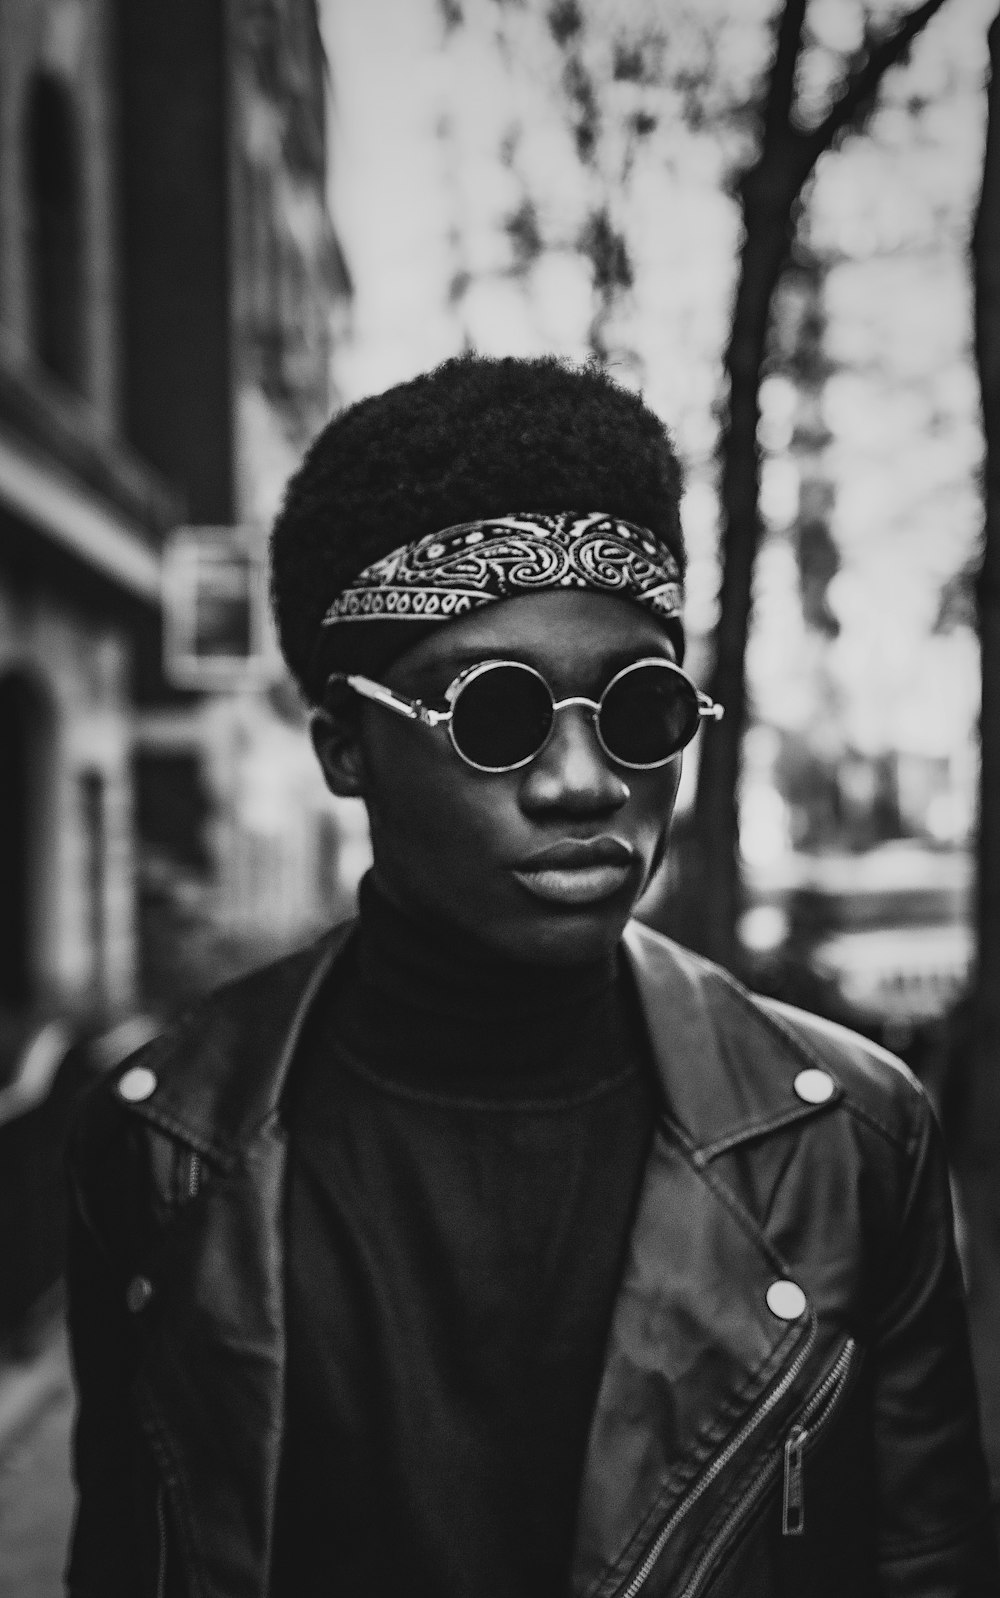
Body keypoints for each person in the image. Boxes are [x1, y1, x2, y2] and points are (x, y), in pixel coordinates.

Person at [65, 354, 999, 1598]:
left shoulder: (848, 1140)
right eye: (495, 714)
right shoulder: (163, 1136)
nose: (583, 782)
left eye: (641, 706)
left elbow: (929, 1560)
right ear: (347, 747)